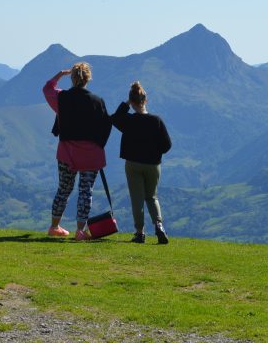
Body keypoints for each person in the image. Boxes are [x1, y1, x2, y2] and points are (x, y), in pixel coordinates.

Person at [43, 62, 112, 240]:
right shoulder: (98, 101)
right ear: (88, 78)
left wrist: (59, 74)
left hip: (67, 152)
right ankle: (80, 231)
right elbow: (106, 126)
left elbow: (47, 88)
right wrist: (99, 145)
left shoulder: (62, 98)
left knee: (63, 189)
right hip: (91, 153)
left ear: (72, 78)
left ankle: (54, 226)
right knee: (85, 191)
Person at [111, 81, 172, 244]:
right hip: (153, 165)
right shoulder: (156, 121)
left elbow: (114, 119)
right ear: (145, 100)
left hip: (133, 164)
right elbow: (167, 145)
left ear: (132, 102)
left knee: (136, 198)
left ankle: (140, 233)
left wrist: (125, 104)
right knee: (151, 196)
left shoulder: (128, 121)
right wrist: (155, 153)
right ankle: (159, 225)